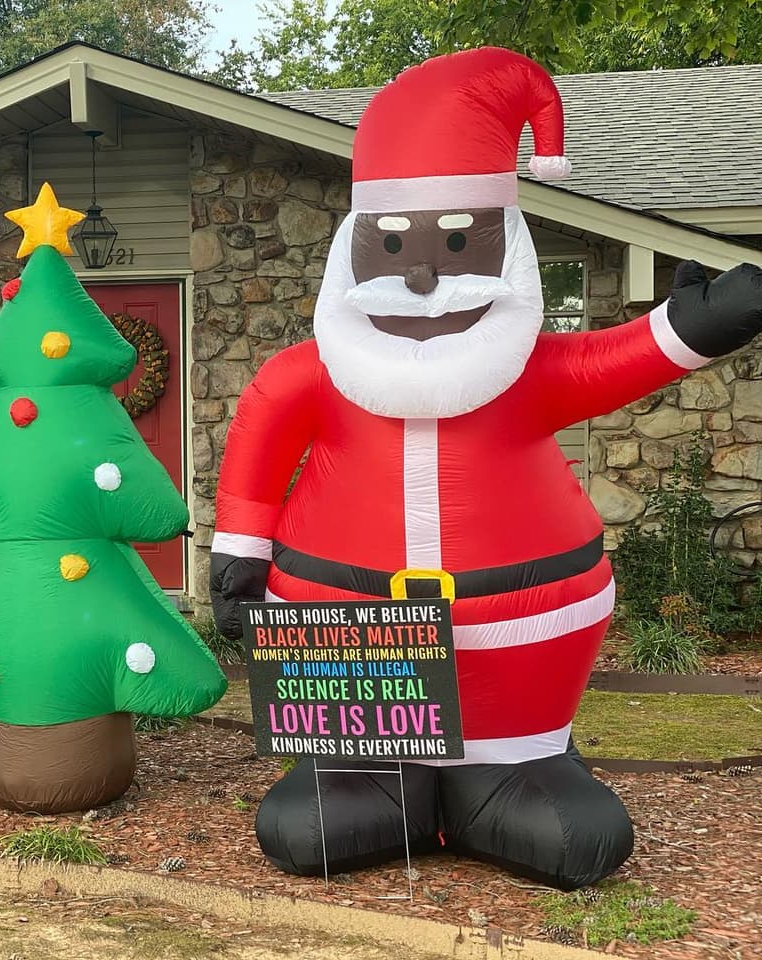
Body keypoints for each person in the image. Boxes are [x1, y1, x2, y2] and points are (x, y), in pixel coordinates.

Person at [211, 47, 762, 889]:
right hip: (351, 638)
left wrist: (693, 327)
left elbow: (611, 360)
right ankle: (363, 773)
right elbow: (259, 444)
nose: (421, 273)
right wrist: (240, 553)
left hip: (524, 640)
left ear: (507, 251)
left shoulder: (528, 371)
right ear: (354, 250)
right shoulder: (311, 375)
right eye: (393, 245)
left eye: (459, 241)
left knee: (565, 821)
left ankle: (514, 769)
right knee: (315, 819)